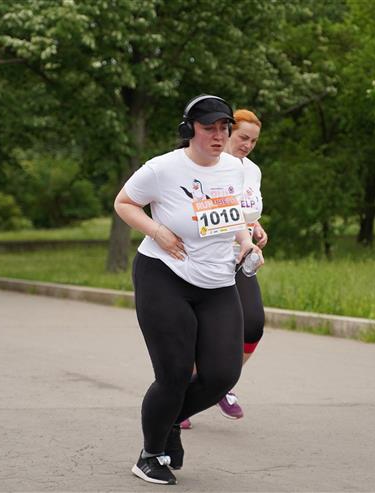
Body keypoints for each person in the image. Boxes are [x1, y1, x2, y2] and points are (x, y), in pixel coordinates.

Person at [114, 94, 264, 485]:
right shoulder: (162, 168)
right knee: (175, 374)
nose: (218, 135)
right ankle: (150, 454)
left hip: (218, 281)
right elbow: (124, 203)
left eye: (224, 128)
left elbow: (235, 214)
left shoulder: (234, 169)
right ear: (189, 130)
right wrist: (157, 231)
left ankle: (170, 419)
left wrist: (245, 242)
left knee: (222, 375)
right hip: (164, 275)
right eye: (208, 128)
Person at [180, 109, 267, 429]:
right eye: (243, 137)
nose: (247, 145)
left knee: (253, 324)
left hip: (239, 256)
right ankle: (186, 393)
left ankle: (220, 384)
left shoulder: (252, 170)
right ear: (228, 133)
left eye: (253, 141)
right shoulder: (208, 165)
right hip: (206, 256)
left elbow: (248, 210)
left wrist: (256, 227)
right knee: (200, 331)